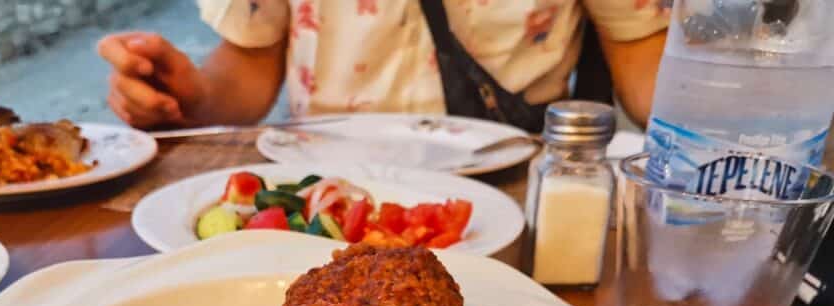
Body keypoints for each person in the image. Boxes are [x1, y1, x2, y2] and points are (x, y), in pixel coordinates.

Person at [98, 0, 668, 132]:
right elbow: (250, 60)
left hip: (514, 194)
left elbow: (642, 49)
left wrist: (723, 111)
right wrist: (184, 98)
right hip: (326, 198)